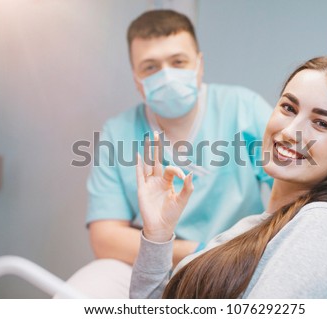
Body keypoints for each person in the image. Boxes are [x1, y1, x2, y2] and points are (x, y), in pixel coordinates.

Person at [130, 56, 327, 298]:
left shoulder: (323, 225)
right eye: (288, 107)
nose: (289, 131)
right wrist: (158, 233)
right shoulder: (255, 226)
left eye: (321, 123)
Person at [60, 10, 273, 298]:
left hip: (235, 261)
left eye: (178, 62)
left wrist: (228, 254)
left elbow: (293, 190)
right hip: (146, 261)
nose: (167, 75)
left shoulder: (243, 109)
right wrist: (192, 251)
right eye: (150, 67)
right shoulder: (119, 133)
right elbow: (106, 238)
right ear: (137, 79)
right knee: (78, 295)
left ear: (199, 65)